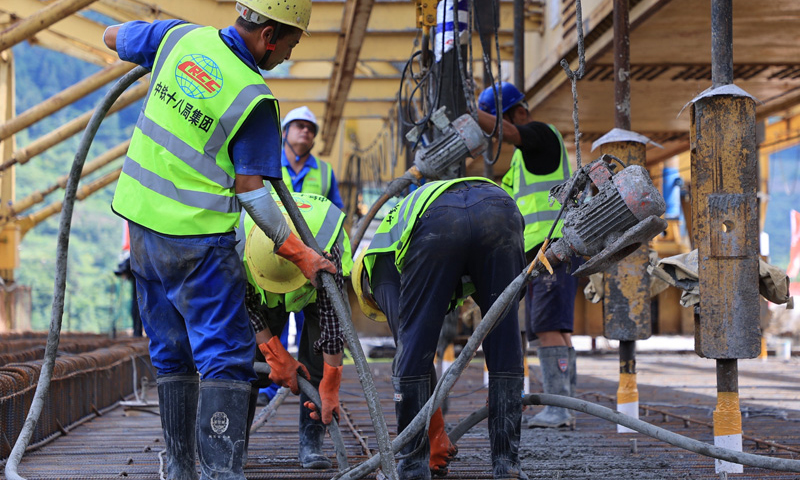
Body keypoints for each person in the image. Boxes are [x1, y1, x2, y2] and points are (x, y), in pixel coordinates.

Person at [102, 1, 337, 478]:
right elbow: (252, 193)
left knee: (170, 352)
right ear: (269, 36)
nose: (288, 55)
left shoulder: (180, 38)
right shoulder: (253, 97)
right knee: (226, 357)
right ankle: (222, 474)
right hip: (198, 242)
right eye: (290, 44)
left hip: (142, 229)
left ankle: (180, 469)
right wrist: (299, 254)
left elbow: (111, 36)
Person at [354, 177, 528, 479]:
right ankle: (507, 465)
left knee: (411, 350)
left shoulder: (379, 274)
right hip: (500, 209)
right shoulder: (398, 235)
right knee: (505, 333)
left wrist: (434, 437)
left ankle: (412, 466)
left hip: (441, 220)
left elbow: (414, 354)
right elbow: (506, 309)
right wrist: (504, 395)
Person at [477, 82, 578, 429]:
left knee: (547, 326)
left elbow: (510, 133)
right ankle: (566, 404)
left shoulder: (541, 136)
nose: (498, 133)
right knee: (556, 327)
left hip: (552, 248)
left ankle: (560, 409)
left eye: (500, 121)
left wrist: (468, 114)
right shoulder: (523, 160)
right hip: (543, 252)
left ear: (519, 112)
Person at [239, 191, 350, 470]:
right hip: (261, 287)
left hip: (314, 277)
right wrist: (273, 355)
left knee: (318, 362)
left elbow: (331, 323)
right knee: (247, 359)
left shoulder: (326, 250)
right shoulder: (237, 246)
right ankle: (235, 444)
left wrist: (331, 381)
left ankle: (312, 442)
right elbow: (245, 307)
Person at [281, 106, 345, 208]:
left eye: (311, 129)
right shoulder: (267, 166)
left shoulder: (325, 170)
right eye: (300, 125)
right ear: (284, 132)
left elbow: (336, 210)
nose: (306, 130)